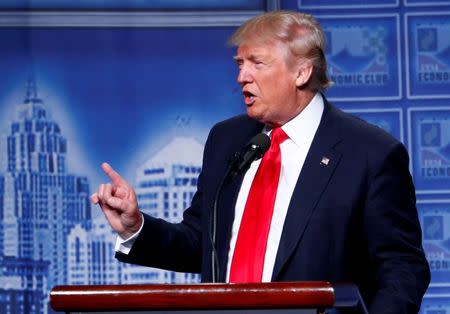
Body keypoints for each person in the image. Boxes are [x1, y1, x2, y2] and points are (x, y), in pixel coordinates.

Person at [91, 11, 430, 313]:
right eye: (240, 64)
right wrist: (136, 227)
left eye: (257, 63)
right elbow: (202, 242)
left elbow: (401, 267)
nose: (242, 77)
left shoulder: (369, 153)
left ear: (301, 72)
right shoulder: (226, 140)